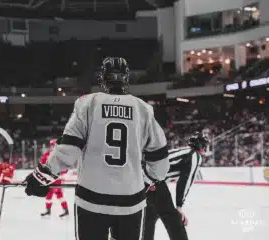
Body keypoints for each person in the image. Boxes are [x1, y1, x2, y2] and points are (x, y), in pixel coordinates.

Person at [24, 57, 169, 240]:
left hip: (91, 199)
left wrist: (41, 177)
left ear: (103, 78)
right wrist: (147, 181)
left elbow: (69, 148)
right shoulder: (143, 109)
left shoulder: (87, 103)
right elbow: (160, 159)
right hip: (131, 200)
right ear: (126, 79)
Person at [142, 132, 209, 240]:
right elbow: (185, 181)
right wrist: (179, 206)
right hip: (153, 180)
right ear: (200, 146)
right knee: (173, 218)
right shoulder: (194, 155)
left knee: (150, 216)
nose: (205, 149)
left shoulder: (183, 151)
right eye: (205, 146)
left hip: (145, 179)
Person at [40, 139, 69, 218]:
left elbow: (65, 168)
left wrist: (60, 173)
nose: (53, 147)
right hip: (49, 178)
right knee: (53, 194)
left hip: (56, 178)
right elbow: (42, 166)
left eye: (55, 145)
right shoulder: (47, 154)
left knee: (56, 193)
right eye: (52, 145)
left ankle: (63, 210)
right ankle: (50, 210)